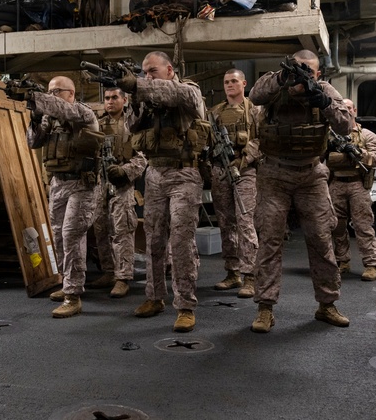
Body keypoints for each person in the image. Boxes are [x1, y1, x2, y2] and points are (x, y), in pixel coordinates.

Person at [248, 50, 352, 333]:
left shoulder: (324, 89)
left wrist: (323, 100)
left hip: (311, 175)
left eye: (309, 70)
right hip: (274, 174)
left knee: (321, 239)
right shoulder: (276, 84)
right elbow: (255, 95)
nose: (303, 73)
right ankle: (265, 307)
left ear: (318, 74)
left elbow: (346, 125)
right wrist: (284, 76)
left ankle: (327, 304)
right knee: (269, 240)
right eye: (299, 67)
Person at [117, 51, 207, 332]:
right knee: (154, 239)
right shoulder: (146, 97)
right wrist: (134, 96)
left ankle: (185, 306)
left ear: (169, 70)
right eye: (143, 73)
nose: (147, 77)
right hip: (155, 173)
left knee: (180, 241)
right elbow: (130, 126)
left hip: (184, 173)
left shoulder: (188, 89)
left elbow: (181, 97)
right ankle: (155, 297)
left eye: (152, 71)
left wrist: (138, 86)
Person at [28, 76, 102, 318]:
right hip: (58, 184)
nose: (51, 95)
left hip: (82, 185)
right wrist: (36, 117)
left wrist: (38, 100)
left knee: (71, 234)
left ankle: (73, 296)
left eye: (56, 91)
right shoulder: (50, 118)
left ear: (71, 93)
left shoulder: (83, 113)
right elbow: (33, 142)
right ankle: (68, 283)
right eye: (48, 91)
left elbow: (66, 111)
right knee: (59, 235)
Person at [90, 86, 147, 298]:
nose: (110, 101)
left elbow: (142, 155)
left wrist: (125, 170)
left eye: (115, 97)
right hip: (100, 183)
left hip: (122, 183)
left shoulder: (133, 125)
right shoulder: (97, 125)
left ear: (124, 100)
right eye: (107, 98)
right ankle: (109, 271)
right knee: (100, 227)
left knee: (122, 229)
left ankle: (123, 277)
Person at [209, 69, 262, 298]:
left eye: (233, 81)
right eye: (226, 82)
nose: (229, 85)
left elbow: (263, 139)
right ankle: (232, 272)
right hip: (220, 171)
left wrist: (244, 159)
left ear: (244, 83)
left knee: (245, 222)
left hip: (246, 171)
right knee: (225, 222)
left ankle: (250, 275)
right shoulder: (216, 112)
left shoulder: (255, 110)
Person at [327, 99, 376, 281]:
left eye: (349, 108)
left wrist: (359, 152)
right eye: (342, 109)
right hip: (336, 183)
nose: (346, 112)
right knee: (336, 226)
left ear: (354, 111)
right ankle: (342, 261)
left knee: (363, 226)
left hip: (357, 184)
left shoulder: (368, 135)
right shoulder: (330, 136)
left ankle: (371, 264)